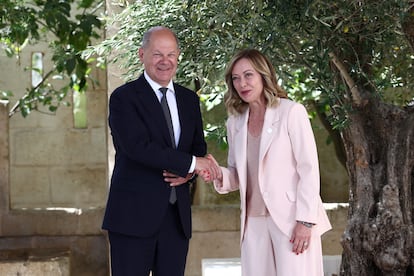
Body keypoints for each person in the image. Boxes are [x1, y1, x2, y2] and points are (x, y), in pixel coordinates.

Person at [201, 49, 332, 276]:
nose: (242, 83)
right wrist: (219, 174)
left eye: (248, 75)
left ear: (264, 75)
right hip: (253, 223)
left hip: (292, 220)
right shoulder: (235, 122)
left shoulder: (292, 112)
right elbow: (238, 174)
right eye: (236, 78)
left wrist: (306, 222)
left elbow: (309, 170)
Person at [102, 26, 218, 276]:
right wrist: (190, 164)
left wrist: (189, 174)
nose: (165, 61)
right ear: (141, 54)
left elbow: (198, 149)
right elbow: (138, 148)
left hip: (175, 220)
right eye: (157, 54)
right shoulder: (124, 98)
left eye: (171, 54)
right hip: (132, 218)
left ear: (178, 57)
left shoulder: (189, 100)